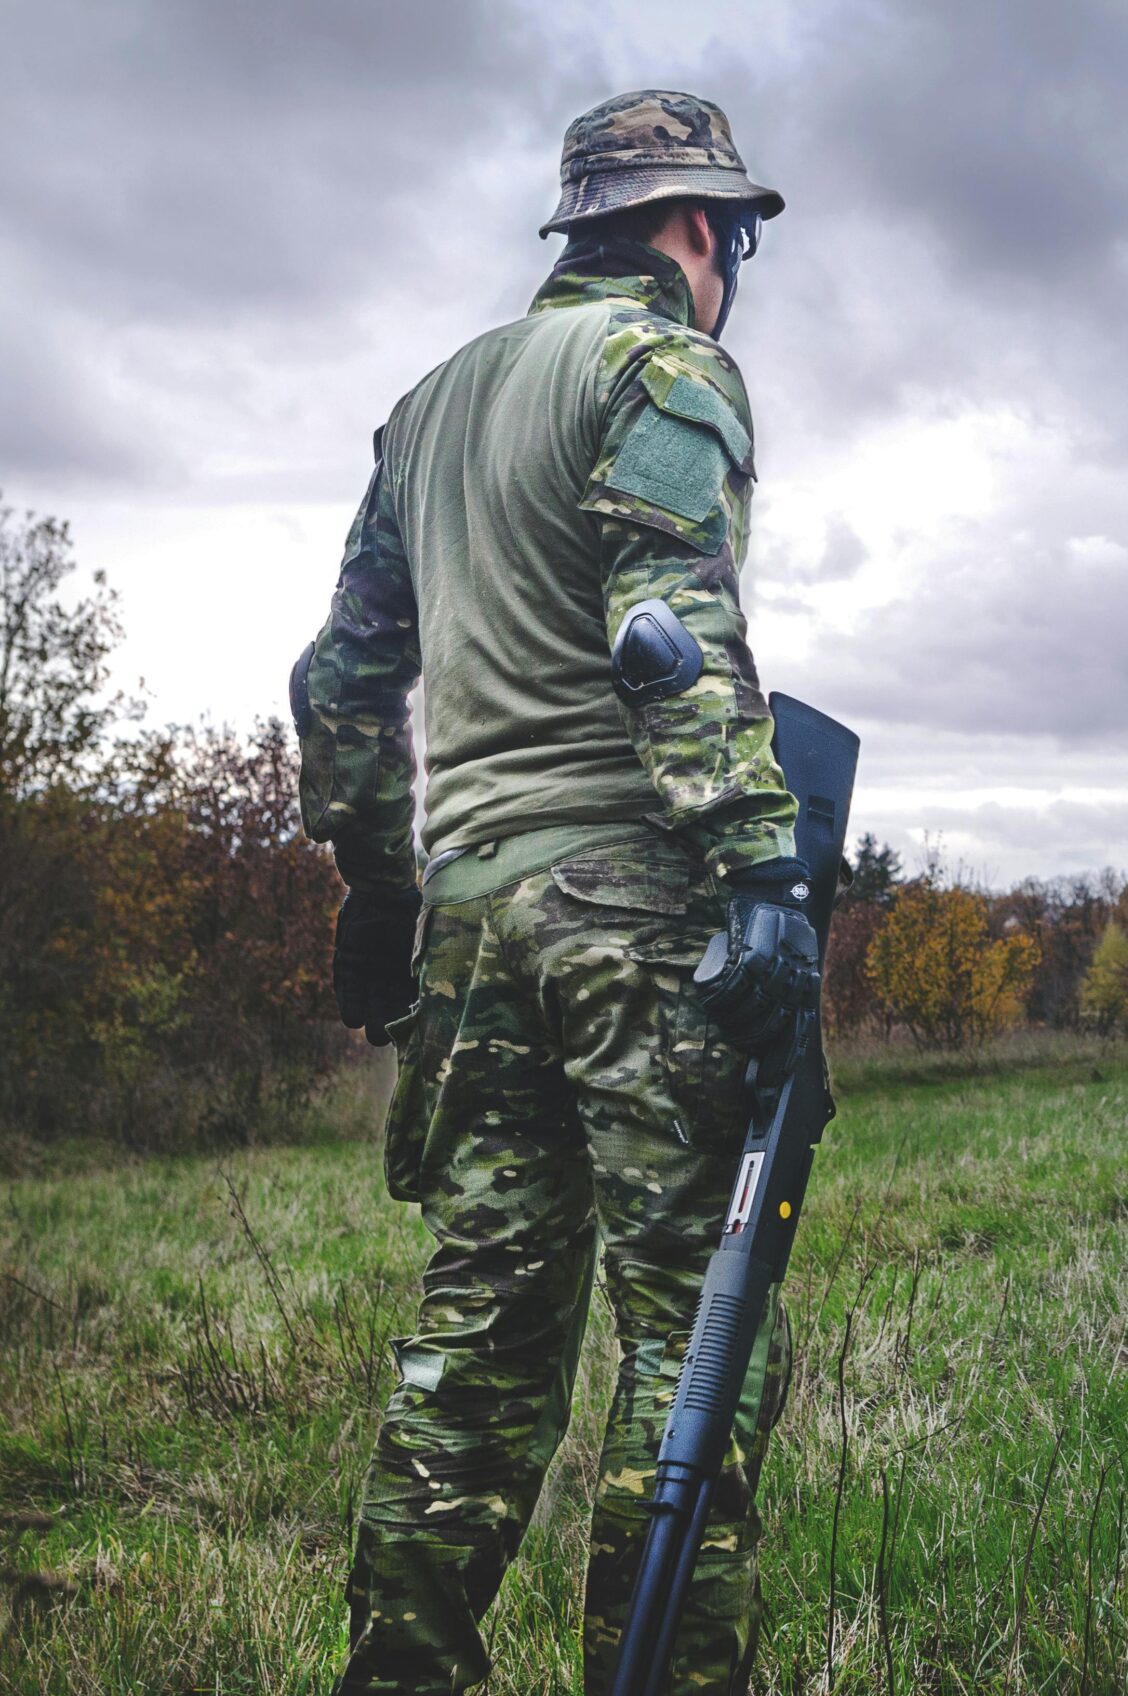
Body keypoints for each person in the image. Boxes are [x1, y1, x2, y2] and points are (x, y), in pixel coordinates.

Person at [291, 90, 820, 1695]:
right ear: (698, 227)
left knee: (478, 1346)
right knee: (694, 1339)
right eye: (729, 238)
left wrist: (383, 892)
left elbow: (339, 686)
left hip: (472, 914)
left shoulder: (430, 408)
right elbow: (670, 632)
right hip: (632, 913)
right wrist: (761, 871)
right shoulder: (664, 366)